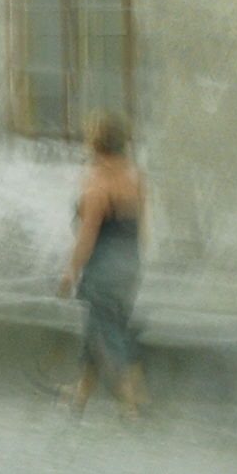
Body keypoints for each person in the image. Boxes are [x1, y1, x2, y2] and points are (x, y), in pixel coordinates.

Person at [58, 110, 147, 419]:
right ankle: (80, 397)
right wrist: (133, 266)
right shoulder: (134, 177)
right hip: (129, 266)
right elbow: (141, 228)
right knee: (101, 331)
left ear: (94, 142)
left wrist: (70, 272)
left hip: (102, 270)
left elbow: (87, 236)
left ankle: (132, 405)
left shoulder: (97, 183)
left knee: (108, 337)